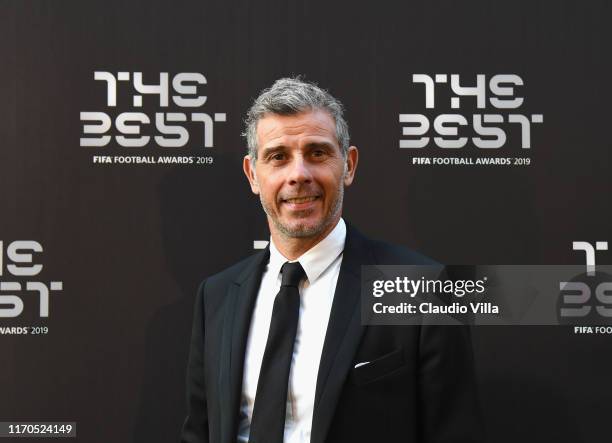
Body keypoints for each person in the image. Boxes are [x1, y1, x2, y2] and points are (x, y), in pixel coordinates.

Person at [180, 77, 483, 443]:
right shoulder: (216, 296)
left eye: (317, 153)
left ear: (349, 165)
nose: (299, 175)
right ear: (253, 175)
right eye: (278, 157)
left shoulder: (421, 288)